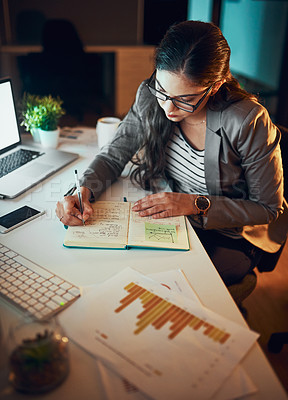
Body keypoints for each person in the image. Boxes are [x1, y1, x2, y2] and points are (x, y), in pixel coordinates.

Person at [56, 20, 286, 286]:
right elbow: (115, 153)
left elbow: (267, 208)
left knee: (166, 285)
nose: (168, 107)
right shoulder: (149, 94)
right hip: (175, 220)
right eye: (162, 90)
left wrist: (193, 203)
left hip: (229, 235)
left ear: (216, 85)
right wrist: (83, 190)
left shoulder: (247, 120)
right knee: (111, 269)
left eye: (185, 99)